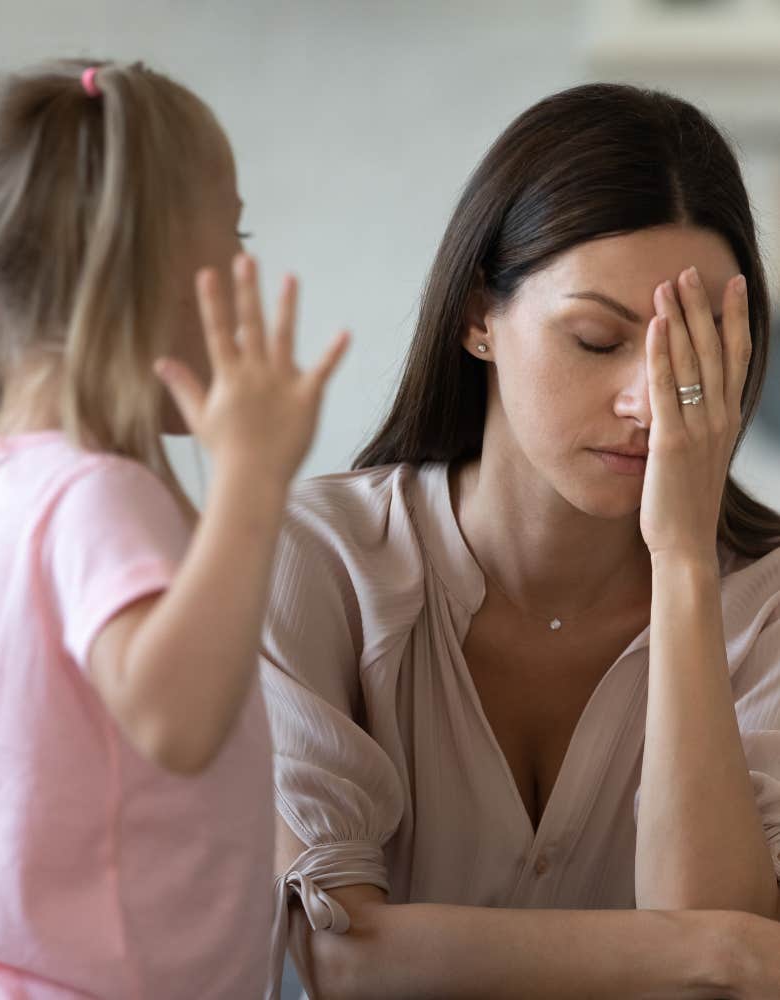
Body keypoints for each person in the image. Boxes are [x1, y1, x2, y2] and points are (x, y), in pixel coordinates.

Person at [262, 82, 780, 999]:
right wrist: (717, 952)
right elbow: (331, 959)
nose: (645, 404)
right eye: (595, 340)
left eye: (689, 355)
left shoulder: (764, 602)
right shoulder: (314, 558)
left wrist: (686, 567)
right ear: (477, 318)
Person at [0, 59, 348, 999]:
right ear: (140, 262)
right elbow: (176, 718)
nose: (247, 267)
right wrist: (251, 474)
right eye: (231, 232)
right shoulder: (95, 498)